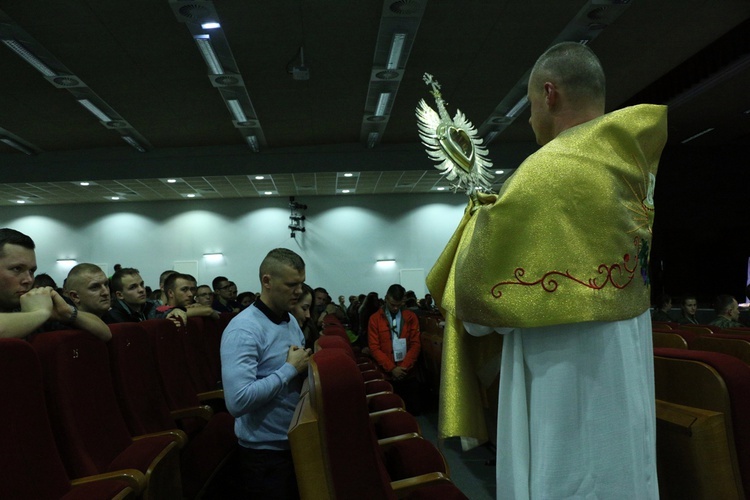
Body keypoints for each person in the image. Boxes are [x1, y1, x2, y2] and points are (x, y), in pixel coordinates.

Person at [426, 42, 666, 498]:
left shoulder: (543, 174)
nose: (530, 118)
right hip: (624, 373)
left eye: (532, 104)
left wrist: (478, 234)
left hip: (565, 388)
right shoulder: (632, 167)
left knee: (568, 473)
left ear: (549, 94)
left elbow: (477, 313)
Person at [220, 248, 311, 499]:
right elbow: (238, 402)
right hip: (264, 454)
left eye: (301, 284)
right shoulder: (244, 330)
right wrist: (290, 369)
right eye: (292, 284)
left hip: (293, 440)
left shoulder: (289, 319)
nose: (299, 291)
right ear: (267, 281)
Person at [0, 228, 110, 341]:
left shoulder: (28, 304)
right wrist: (40, 313)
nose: (28, 279)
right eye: (17, 269)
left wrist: (67, 312)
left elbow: (105, 333)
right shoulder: (38, 312)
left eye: (32, 271)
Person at [368, 283, 422, 414]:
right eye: (392, 304)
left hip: (407, 371)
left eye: (399, 305)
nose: (395, 308)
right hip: (387, 373)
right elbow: (374, 348)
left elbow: (415, 344)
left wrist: (403, 367)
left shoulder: (410, 317)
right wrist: (392, 368)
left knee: (411, 412)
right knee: (392, 413)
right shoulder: (375, 319)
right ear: (386, 298)